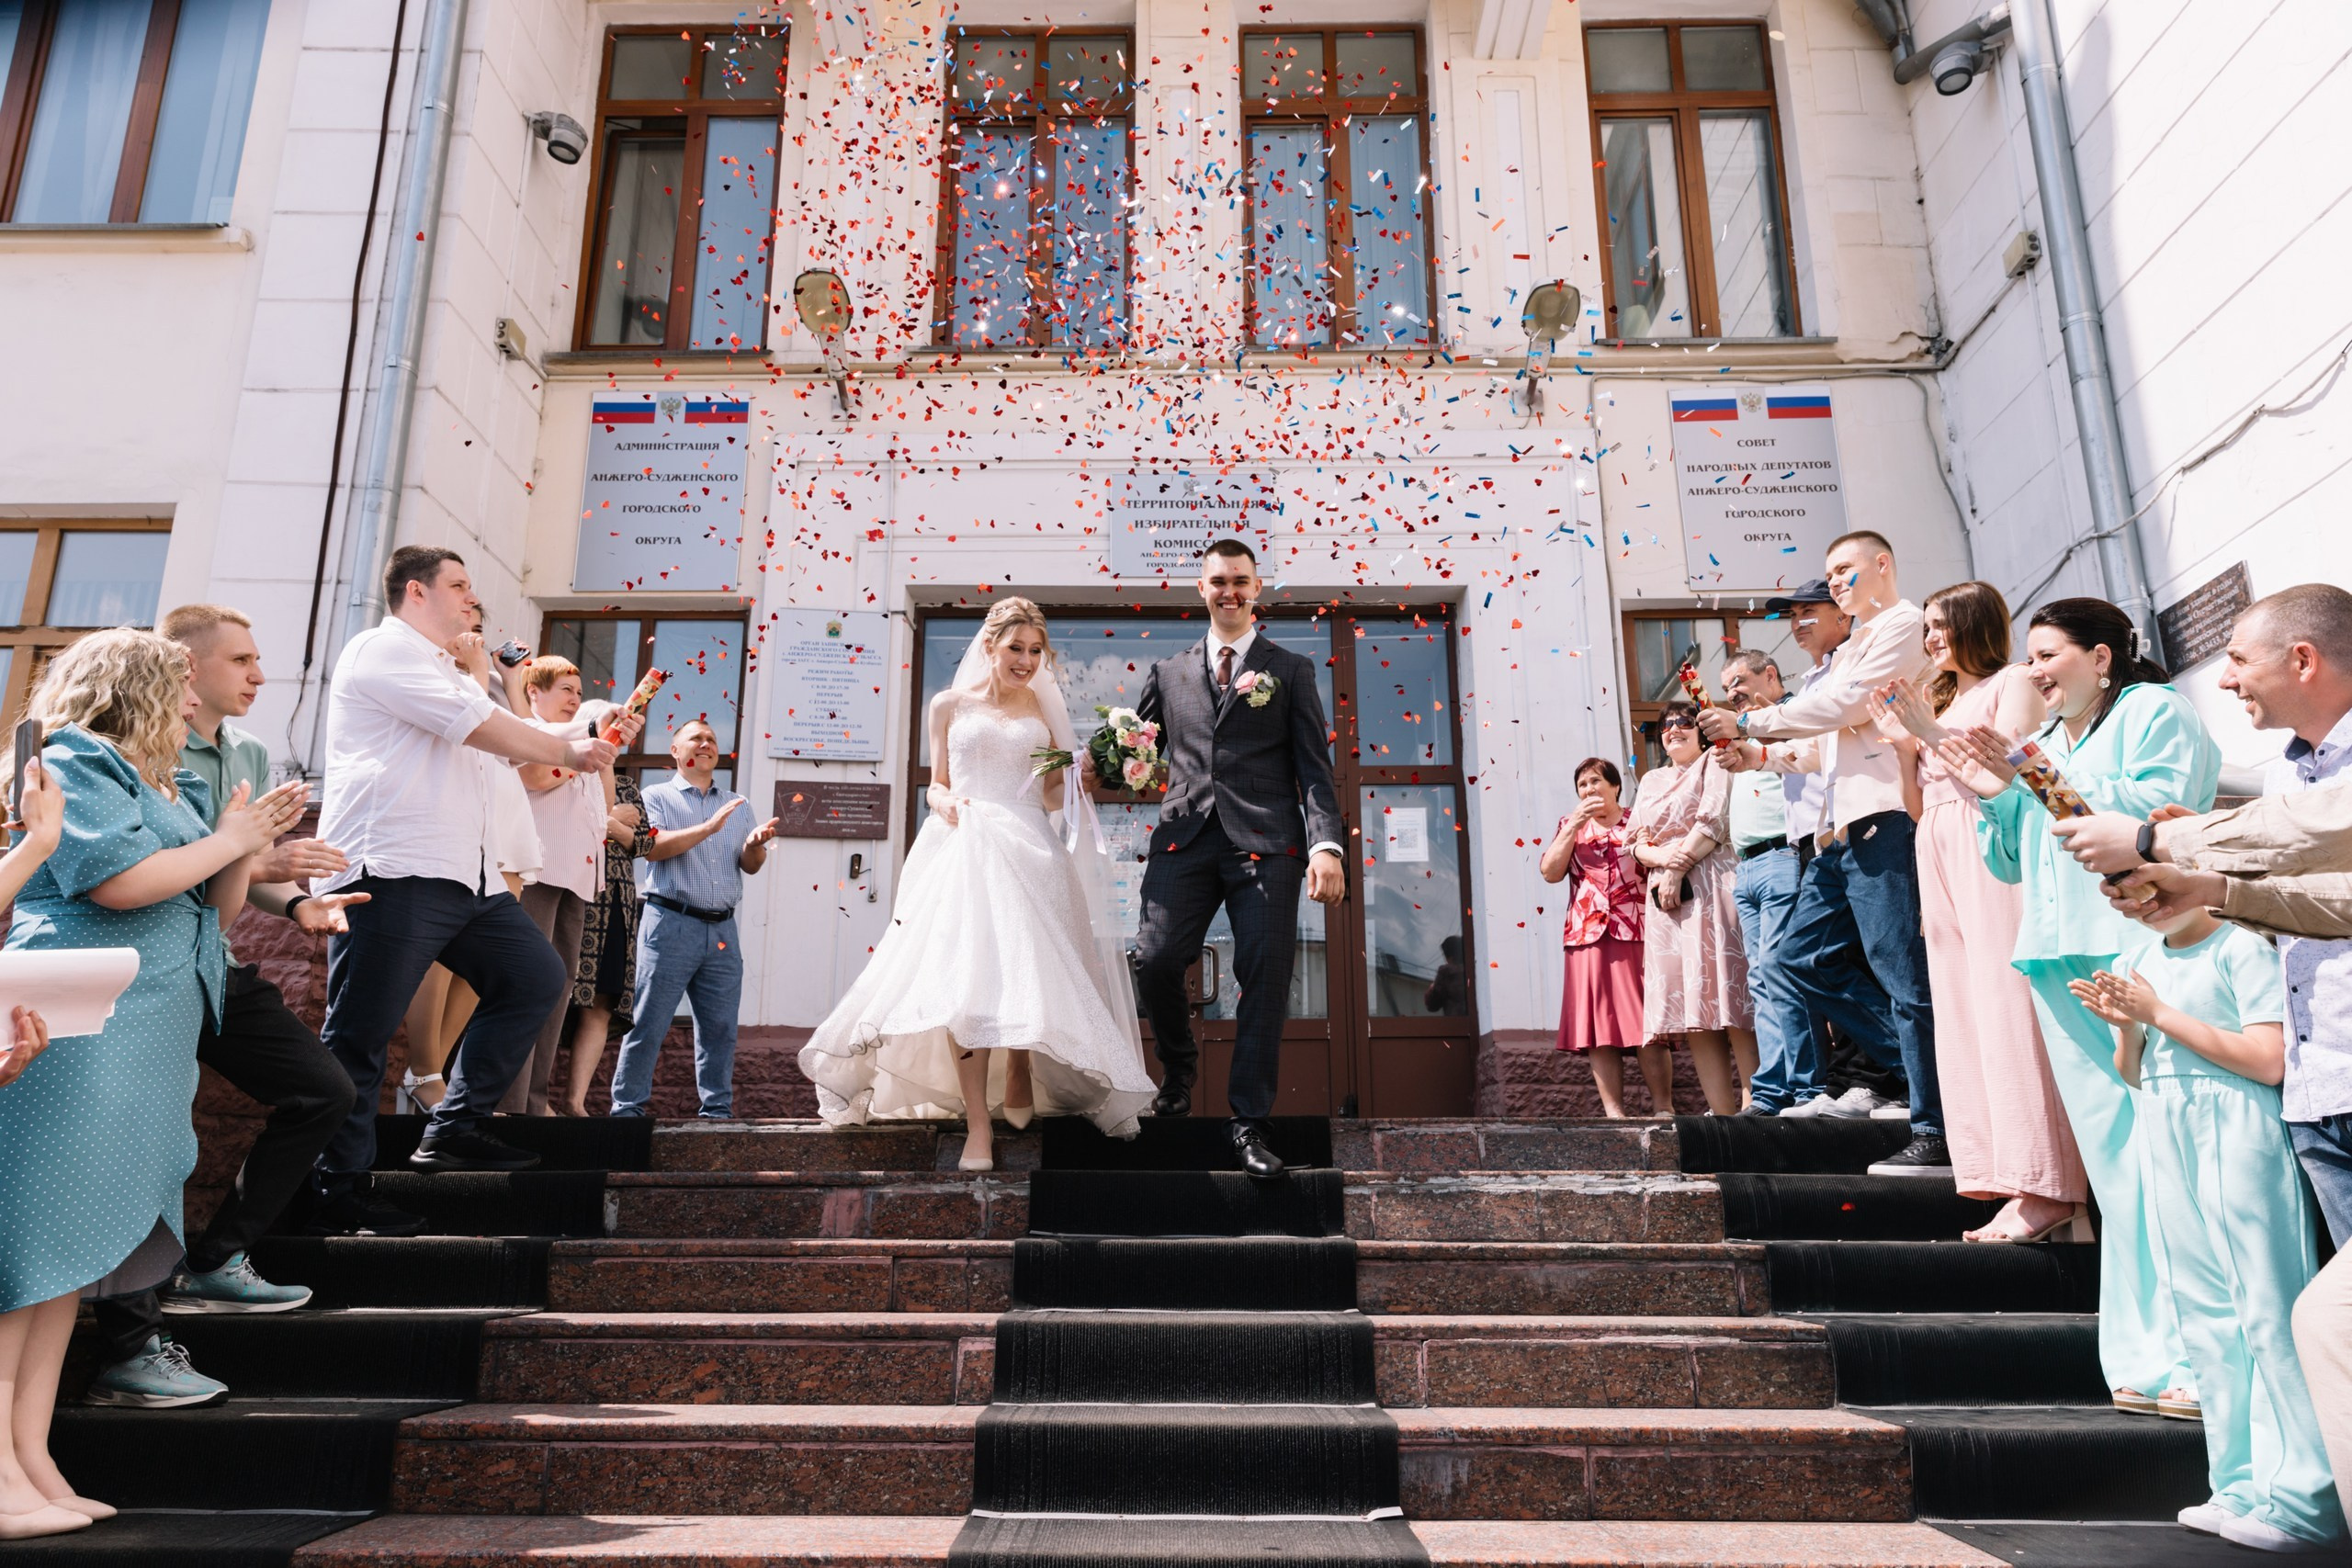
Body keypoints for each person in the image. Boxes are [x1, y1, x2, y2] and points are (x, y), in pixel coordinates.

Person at [0, 631, 305, 1536]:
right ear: (131, 683)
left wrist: (246, 844)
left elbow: (210, 902)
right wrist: (229, 839)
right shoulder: (77, 756)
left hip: (151, 1024)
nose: (188, 700)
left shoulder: (165, 777)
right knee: (31, 1252)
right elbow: (119, 884)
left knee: (71, 1260)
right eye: (174, 683)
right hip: (80, 1021)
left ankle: (33, 1457)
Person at [82, 605, 370, 1411]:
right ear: (183, 666)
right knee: (144, 1149)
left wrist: (293, 903)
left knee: (324, 1089)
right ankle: (130, 1341)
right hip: (141, 970)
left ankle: (217, 1261)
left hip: (216, 962)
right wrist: (249, 850)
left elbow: (228, 883)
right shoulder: (121, 754)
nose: (258, 674)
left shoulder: (243, 752)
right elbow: (150, 869)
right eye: (241, 658)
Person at [1939, 595, 2219, 1418]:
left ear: (2102, 658)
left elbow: (2159, 819)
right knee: (2119, 1166)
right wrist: (1993, 790)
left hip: (2134, 946)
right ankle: (2142, 1355)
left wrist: (2035, 770)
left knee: (2171, 1146)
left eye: (2049, 653)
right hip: (2057, 952)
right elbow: (2011, 858)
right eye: (2028, 656)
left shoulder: (2155, 710)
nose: (2033, 670)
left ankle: (2205, 1357)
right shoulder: (2050, 741)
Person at [310, 547, 616, 1234]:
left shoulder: (448, 669)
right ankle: (339, 1190)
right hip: (389, 871)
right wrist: (568, 748)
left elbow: (504, 748)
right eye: (460, 586)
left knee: (537, 979)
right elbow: (483, 729)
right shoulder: (379, 652)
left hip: (465, 877)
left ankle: (452, 1127)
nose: (472, 599)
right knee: (357, 1037)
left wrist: (559, 730)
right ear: (416, 592)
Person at [800, 599, 1157, 1168]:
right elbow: (935, 783)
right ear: (989, 646)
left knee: (1023, 969)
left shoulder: (1043, 712)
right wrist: (945, 803)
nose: (1025, 659)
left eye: (1035, 650)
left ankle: (1018, 1064)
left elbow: (1050, 795)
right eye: (1015, 648)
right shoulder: (947, 705)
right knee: (964, 980)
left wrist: (1091, 773)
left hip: (1030, 849)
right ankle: (978, 1127)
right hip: (964, 844)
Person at [2054, 585, 2352, 1249]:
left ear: (2302, 659)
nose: (2223, 678)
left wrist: (2155, 841)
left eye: (2239, 658)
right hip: (2322, 1091)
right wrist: (2206, 890)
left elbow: (2323, 827)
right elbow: (2332, 905)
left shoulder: (2297, 797)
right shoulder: (2285, 777)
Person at [2068, 905, 2344, 1552]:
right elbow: (2133, 1072)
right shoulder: (2140, 959)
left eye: (2148, 878)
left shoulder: (2240, 947)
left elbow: (2268, 1060)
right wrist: (2128, 1027)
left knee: (2269, 1306)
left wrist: (2159, 1014)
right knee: (2203, 1310)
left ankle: (2308, 1495)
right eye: (2120, 886)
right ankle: (2240, 1482)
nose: (2137, 896)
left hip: (2238, 1122)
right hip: (2165, 1119)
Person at [1699, 532, 1941, 1168]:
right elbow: (1825, 743)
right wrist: (1756, 755)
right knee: (1797, 959)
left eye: (1844, 570)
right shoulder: (1855, 643)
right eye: (1829, 573)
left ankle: (1935, 1124)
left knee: (1901, 975)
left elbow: (1848, 706)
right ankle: (1917, 1064)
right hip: (1837, 831)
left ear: (1882, 565)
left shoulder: (1902, 623)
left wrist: (1751, 722)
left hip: (1882, 819)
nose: (1834, 582)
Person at [1123, 539, 1348, 1179]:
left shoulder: (1290, 669)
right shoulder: (1167, 674)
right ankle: (1180, 1062)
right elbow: (1134, 752)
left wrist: (1325, 844)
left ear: (1257, 589)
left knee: (1267, 974)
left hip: (1268, 843)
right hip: (1183, 837)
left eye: (1240, 581)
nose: (1229, 591)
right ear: (1201, 587)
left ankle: (1248, 1121)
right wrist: (1099, 760)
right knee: (1156, 956)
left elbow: (1314, 768)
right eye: (1218, 580)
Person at [1876, 582, 2088, 1242]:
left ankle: (2046, 1180)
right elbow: (1918, 805)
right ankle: (2001, 1168)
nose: (1931, 638)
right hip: (1935, 847)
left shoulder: (2013, 682)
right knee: (1963, 1012)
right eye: (1928, 627)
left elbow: (2012, 776)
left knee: (2006, 1004)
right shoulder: (1943, 699)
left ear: (1974, 624)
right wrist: (1906, 748)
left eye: (1941, 626)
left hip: (1987, 845)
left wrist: (1928, 732)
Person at [399, 613, 544, 1114]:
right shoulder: (421, 665)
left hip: (502, 806)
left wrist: (508, 679)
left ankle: (435, 1076)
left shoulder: (485, 676)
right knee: (443, 951)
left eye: (479, 618)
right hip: (458, 811)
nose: (474, 626)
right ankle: (423, 1069)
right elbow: (462, 724)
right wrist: (477, 671)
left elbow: (529, 753)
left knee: (482, 965)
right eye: (465, 611)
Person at [608, 719, 779, 1120]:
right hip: (670, 923)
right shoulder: (656, 796)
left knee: (720, 1029)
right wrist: (707, 827)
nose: (706, 744)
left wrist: (755, 847)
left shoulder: (738, 804)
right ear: (675, 751)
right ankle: (627, 1109)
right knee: (649, 1022)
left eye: (712, 739)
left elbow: (749, 866)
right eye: (696, 738)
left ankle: (717, 1111)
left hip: (722, 930)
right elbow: (652, 850)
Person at [500, 657, 637, 1115]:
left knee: (557, 993)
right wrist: (587, 744)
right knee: (525, 987)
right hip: (535, 873)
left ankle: (536, 1102)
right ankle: (510, 1103)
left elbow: (606, 805)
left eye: (579, 692)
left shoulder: (584, 742)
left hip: (579, 880)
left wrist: (603, 750)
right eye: (564, 690)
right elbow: (536, 778)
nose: (575, 700)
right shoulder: (524, 731)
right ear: (534, 693)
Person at [1627, 703, 1751, 1113]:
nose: (1674, 730)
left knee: (1730, 996)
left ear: (1699, 730)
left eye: (1684, 722)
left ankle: (1758, 1104)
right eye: (1666, 725)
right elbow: (1635, 842)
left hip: (1711, 882)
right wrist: (1665, 864)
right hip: (1667, 899)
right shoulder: (1650, 779)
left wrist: (1678, 866)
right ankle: (1723, 1112)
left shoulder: (1712, 762)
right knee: (1693, 1006)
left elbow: (1714, 819)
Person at [1540, 756, 1667, 1116]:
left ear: (1615, 786)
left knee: (1648, 1024)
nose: (1589, 789)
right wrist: (1574, 825)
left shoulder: (1637, 820)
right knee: (1599, 1028)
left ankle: (1663, 1107)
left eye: (1596, 781)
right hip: (1587, 936)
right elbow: (1550, 872)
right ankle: (1614, 1113)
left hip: (1638, 930)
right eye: (1582, 785)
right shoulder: (1570, 825)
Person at [1718, 650, 1811, 1116]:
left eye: (1739, 681)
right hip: (1747, 865)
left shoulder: (1789, 716)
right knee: (1761, 977)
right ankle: (1772, 1091)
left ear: (1769, 675)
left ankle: (1804, 1088)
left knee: (1780, 969)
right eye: (1727, 686)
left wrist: (1745, 729)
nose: (1732, 692)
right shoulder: (1744, 727)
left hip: (1781, 854)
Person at [561, 699, 655, 1117]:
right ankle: (527, 1097)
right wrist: (614, 822)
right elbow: (571, 825)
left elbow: (647, 844)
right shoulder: (563, 770)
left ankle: (575, 1101)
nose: (618, 736)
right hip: (573, 896)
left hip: (617, 902)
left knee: (600, 1002)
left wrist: (610, 823)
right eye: (610, 728)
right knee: (555, 995)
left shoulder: (630, 786)